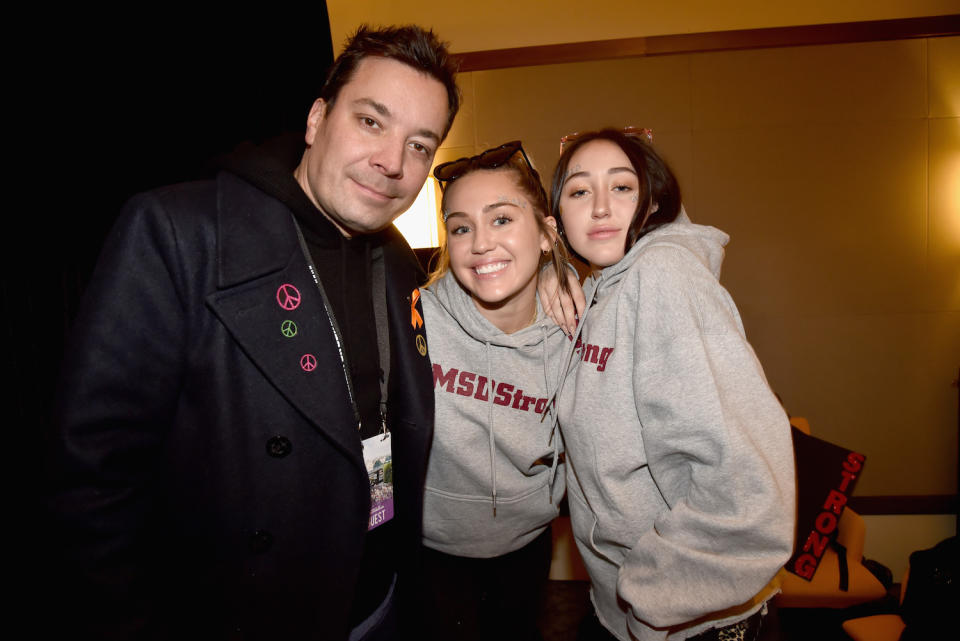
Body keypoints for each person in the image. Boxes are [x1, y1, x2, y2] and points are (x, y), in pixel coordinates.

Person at [47, 25, 459, 640]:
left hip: (378, 604)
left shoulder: (400, 261)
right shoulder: (179, 233)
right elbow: (91, 481)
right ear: (318, 118)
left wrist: (552, 273)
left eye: (420, 145)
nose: (393, 162)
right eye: (372, 122)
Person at [549, 129, 795, 641]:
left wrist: (651, 596)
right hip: (620, 607)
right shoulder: (600, 290)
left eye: (621, 187)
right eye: (578, 191)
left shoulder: (664, 274)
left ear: (655, 199)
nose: (599, 208)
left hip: (687, 618)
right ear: (557, 218)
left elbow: (747, 485)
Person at [417, 141, 572, 641]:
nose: (480, 243)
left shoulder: (579, 323)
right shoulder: (414, 316)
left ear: (548, 234)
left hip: (526, 545)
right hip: (430, 554)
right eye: (461, 227)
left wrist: (562, 273)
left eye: (502, 219)